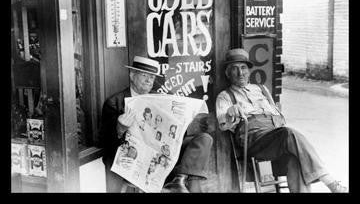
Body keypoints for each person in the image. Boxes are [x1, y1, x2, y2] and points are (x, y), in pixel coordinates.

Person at [215, 48, 347, 193]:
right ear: (228, 73)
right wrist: (230, 113)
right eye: (234, 69)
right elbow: (223, 124)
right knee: (288, 133)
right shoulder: (225, 96)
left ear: (249, 71)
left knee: (295, 159)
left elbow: (278, 115)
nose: (240, 73)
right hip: (255, 142)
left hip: (275, 137)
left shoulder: (261, 89)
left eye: (243, 68)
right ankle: (331, 183)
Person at [100, 55, 213, 193]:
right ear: (132, 75)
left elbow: (178, 136)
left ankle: (180, 179)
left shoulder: (160, 99)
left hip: (163, 153)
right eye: (144, 75)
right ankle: (185, 186)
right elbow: (105, 143)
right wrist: (120, 128)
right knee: (195, 186)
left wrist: (181, 121)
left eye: (152, 77)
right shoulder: (114, 102)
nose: (149, 80)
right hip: (132, 156)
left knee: (205, 139)